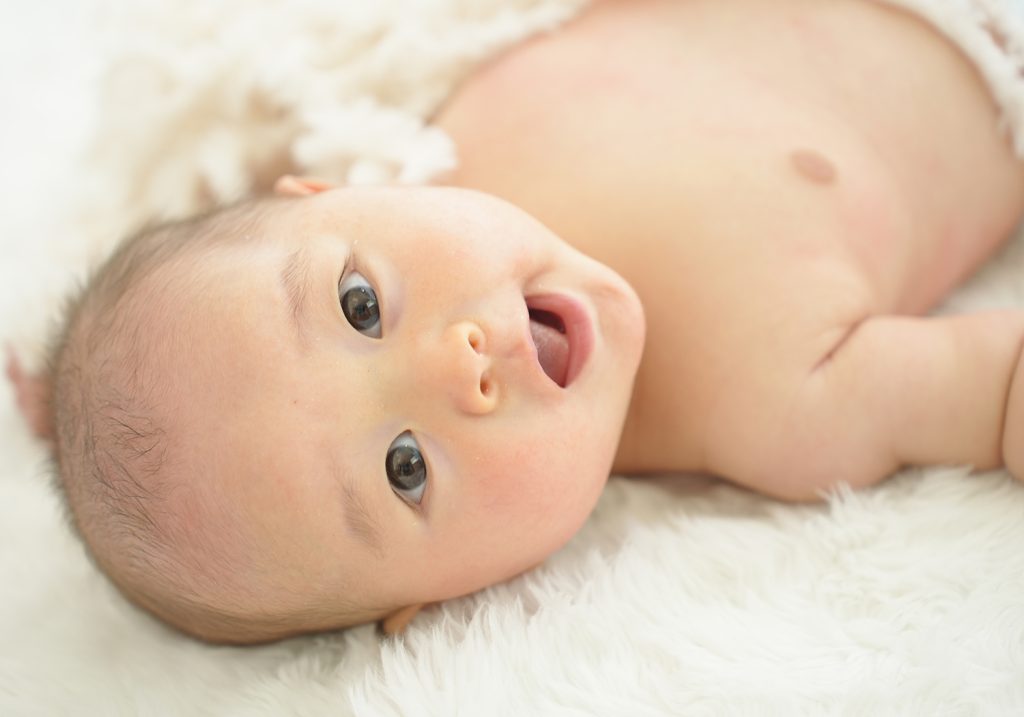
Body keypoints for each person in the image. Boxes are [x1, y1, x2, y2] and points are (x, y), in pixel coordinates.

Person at [7, 0, 1024, 644]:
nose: (456, 363)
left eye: (360, 306)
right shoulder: (780, 407)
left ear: (329, 190)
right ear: (445, 595)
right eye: (405, 468)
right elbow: (1000, 381)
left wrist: (80, 388)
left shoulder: (435, 117)